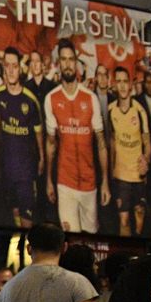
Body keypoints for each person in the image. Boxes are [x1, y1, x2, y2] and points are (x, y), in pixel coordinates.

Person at [44, 39, 107, 233]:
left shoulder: (90, 98)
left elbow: (101, 143)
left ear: (76, 63)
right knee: (70, 242)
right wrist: (48, 180)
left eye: (71, 59)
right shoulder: (51, 98)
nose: (68, 64)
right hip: (65, 184)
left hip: (90, 183)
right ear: (59, 64)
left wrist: (105, 182)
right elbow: (51, 143)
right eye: (63, 60)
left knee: (91, 243)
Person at [0, 46, 46, 227]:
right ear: (4, 68)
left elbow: (38, 132)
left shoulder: (30, 100)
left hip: (27, 169)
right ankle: (18, 249)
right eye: (8, 66)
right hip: (7, 168)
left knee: (27, 219)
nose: (11, 70)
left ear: (21, 69)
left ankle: (28, 252)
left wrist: (41, 157)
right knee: (15, 213)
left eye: (15, 66)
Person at [107, 66, 151, 236]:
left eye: (125, 81)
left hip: (138, 175)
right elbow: (111, 142)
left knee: (139, 217)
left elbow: (147, 143)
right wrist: (110, 172)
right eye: (119, 82)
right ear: (114, 85)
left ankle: (138, 258)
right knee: (123, 220)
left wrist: (146, 160)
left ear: (131, 84)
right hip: (121, 177)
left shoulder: (139, 110)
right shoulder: (111, 110)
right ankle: (124, 258)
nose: (123, 86)